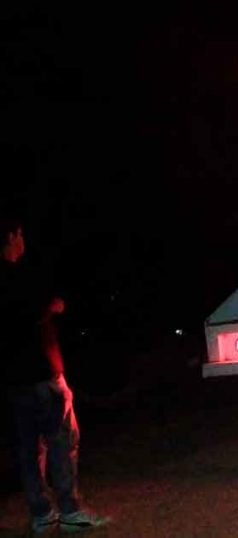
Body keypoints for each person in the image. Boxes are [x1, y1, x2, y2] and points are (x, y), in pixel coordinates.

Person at [1, 216, 109, 534]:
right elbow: (35, 311)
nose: (23, 240)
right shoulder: (18, 277)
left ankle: (40, 512)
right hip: (42, 374)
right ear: (11, 236)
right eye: (20, 234)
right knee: (61, 440)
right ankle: (70, 509)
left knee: (28, 448)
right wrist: (53, 306)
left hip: (12, 379)